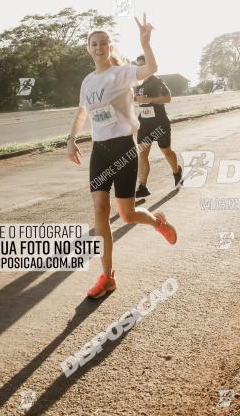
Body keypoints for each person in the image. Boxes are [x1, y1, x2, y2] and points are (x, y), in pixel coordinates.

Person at [67, 15, 177, 300]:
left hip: (123, 148)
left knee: (127, 214)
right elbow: (82, 113)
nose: (99, 46)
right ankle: (107, 276)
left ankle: (157, 221)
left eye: (104, 42)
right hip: (100, 150)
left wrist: (145, 43)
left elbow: (151, 68)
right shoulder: (87, 81)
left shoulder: (123, 73)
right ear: (87, 49)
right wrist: (71, 139)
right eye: (94, 43)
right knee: (101, 209)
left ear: (110, 46)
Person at [134, 54, 183, 198]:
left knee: (166, 151)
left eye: (143, 64)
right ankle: (142, 186)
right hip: (144, 123)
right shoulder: (137, 83)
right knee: (143, 154)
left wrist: (150, 99)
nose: (140, 67)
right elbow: (135, 98)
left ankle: (176, 171)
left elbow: (168, 98)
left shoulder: (157, 81)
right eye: (138, 65)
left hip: (159, 122)